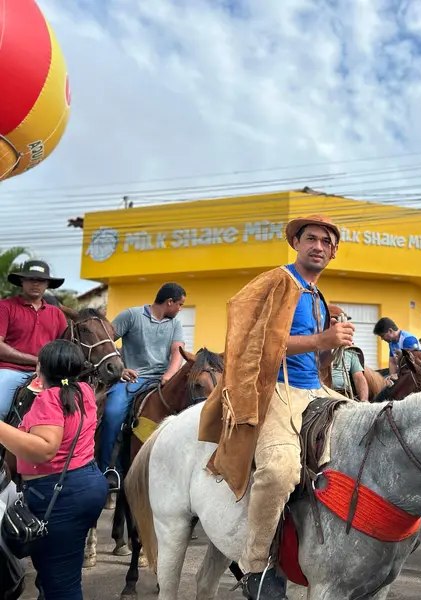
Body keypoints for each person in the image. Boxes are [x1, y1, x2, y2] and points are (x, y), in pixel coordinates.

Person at [197, 215, 355, 600]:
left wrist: (332, 344)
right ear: (296, 243)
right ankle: (257, 567)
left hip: (315, 390)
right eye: (311, 239)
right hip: (279, 390)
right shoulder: (277, 281)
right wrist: (322, 339)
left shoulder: (316, 294)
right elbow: (251, 338)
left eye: (326, 242)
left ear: (334, 253)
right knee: (280, 471)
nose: (318, 246)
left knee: (374, 438)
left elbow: (315, 351)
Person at [0, 339, 107, 599]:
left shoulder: (49, 399)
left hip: (58, 494)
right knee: (60, 572)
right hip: (88, 484)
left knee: (60, 585)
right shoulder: (84, 390)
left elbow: (45, 449)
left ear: (39, 367)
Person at [100, 283, 186, 490]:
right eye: (180, 304)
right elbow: (104, 343)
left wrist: (170, 375)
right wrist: (120, 370)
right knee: (112, 413)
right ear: (169, 302)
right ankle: (108, 470)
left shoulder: (175, 324)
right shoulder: (131, 315)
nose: (180, 309)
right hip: (133, 379)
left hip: (163, 379)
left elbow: (178, 351)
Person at [0, 260, 67, 422]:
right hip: (12, 371)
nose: (35, 284)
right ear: (22, 281)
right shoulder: (5, 306)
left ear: (47, 284)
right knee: (0, 408)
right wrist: (37, 360)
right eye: (31, 279)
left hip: (49, 374)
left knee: (75, 409)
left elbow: (65, 348)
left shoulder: (57, 313)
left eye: (41, 280)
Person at [329, 311, 369, 402]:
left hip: (343, 394)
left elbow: (358, 377)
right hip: (322, 395)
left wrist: (364, 400)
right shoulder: (317, 350)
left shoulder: (350, 350)